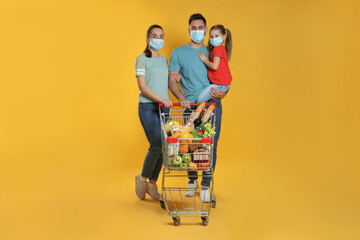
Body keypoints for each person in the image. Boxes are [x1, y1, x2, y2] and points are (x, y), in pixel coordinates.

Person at [168, 13, 228, 202]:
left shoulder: (213, 52)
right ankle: (192, 180)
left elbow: (222, 79)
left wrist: (224, 94)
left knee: (210, 145)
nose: (197, 31)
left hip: (211, 105)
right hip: (191, 106)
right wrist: (181, 97)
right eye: (193, 28)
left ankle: (205, 185)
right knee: (189, 145)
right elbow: (172, 79)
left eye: (200, 28)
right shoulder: (178, 52)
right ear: (189, 29)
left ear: (206, 29)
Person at [135, 25, 173, 201]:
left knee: (164, 148)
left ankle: (152, 183)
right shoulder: (141, 59)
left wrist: (175, 79)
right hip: (148, 106)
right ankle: (142, 179)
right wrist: (161, 99)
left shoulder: (164, 60)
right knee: (156, 144)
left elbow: (165, 81)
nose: (158, 39)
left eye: (161, 36)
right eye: (155, 36)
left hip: (164, 108)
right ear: (148, 38)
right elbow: (142, 86)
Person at [197, 25, 233, 103]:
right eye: (211, 37)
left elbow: (214, 66)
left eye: (216, 36)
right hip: (223, 84)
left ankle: (201, 114)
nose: (213, 39)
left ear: (223, 37)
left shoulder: (218, 48)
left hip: (220, 84)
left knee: (199, 100)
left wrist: (205, 60)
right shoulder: (220, 48)